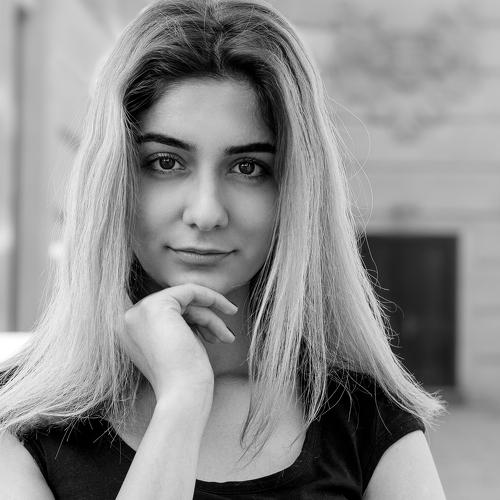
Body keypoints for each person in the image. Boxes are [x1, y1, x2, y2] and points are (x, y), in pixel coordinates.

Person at [0, 0, 447, 498]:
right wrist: (182, 400)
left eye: (248, 167)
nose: (206, 212)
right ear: (113, 178)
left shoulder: (370, 424)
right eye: (166, 162)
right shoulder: (17, 418)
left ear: (294, 192)